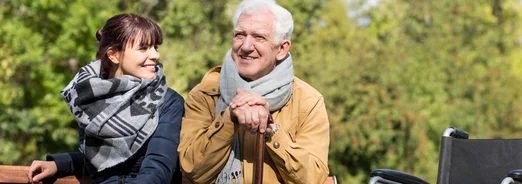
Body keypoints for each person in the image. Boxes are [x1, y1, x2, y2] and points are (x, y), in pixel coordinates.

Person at [178, 0, 330, 183]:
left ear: (282, 49)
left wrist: (271, 130)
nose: (246, 46)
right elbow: (191, 169)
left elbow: (314, 179)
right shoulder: (205, 93)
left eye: (259, 37)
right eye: (240, 35)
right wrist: (228, 118)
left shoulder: (308, 101)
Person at [27, 13, 184, 184]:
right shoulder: (90, 97)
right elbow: (100, 161)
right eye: (143, 48)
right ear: (114, 55)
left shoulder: (168, 101)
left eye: (155, 47)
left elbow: (158, 170)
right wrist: (59, 164)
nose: (155, 55)